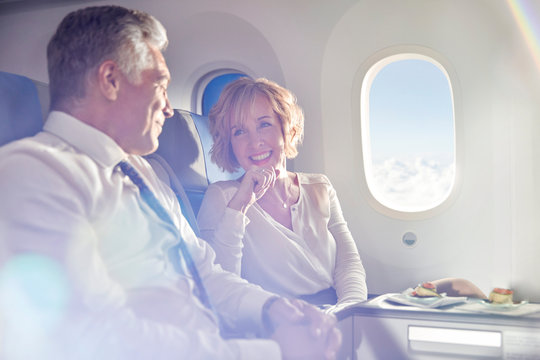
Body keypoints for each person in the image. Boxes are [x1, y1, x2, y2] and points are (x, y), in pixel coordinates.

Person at [0, 6, 341, 360]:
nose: (167, 108)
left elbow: (204, 272)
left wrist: (274, 308)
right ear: (110, 80)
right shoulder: (33, 174)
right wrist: (271, 352)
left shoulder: (145, 173)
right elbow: (92, 335)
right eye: (160, 85)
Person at [197, 78, 367, 309]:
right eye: (239, 131)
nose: (255, 141)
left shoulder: (320, 187)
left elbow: (348, 263)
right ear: (229, 144)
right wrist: (240, 208)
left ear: (287, 129)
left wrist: (351, 313)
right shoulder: (223, 198)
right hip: (275, 324)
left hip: (338, 312)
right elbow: (220, 288)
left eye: (264, 125)